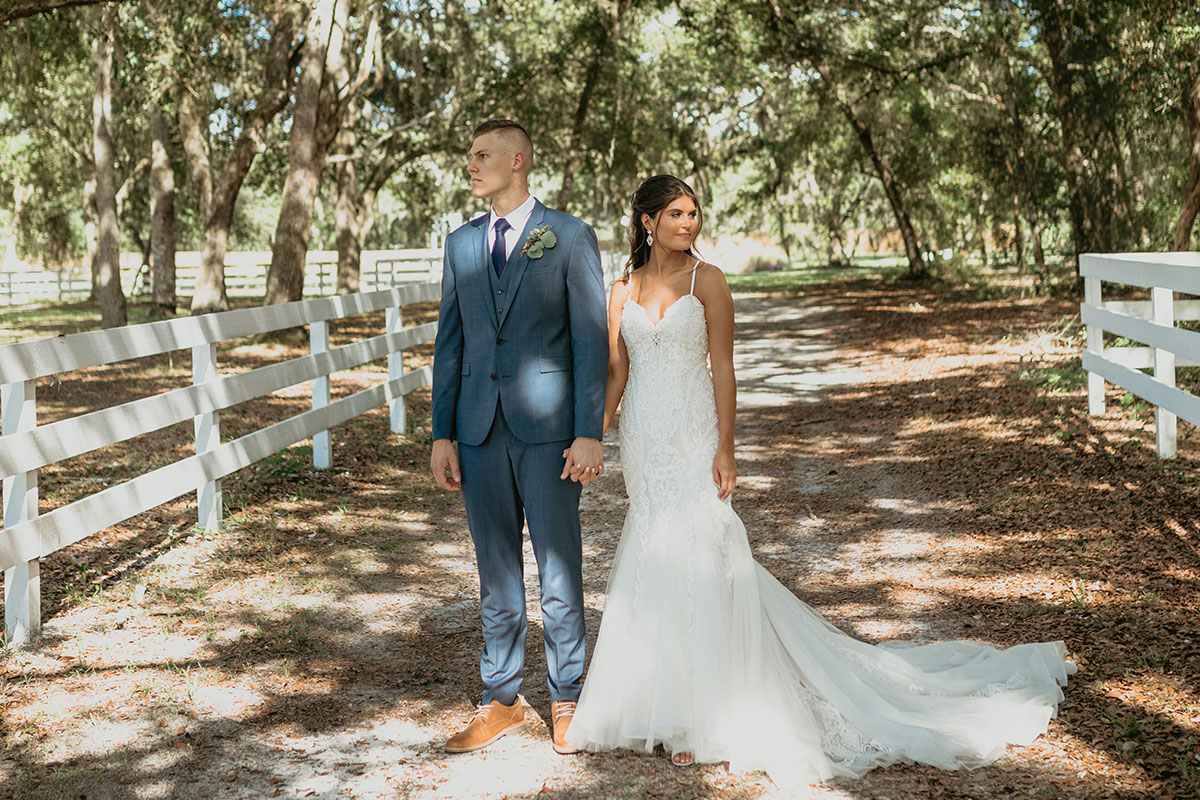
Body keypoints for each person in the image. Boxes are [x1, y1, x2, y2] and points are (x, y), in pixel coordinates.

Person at [565, 174, 1075, 788]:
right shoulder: (622, 287)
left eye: (694, 213)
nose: (688, 224)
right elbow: (618, 370)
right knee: (654, 546)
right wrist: (592, 433)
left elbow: (723, 371)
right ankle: (658, 700)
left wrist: (726, 446)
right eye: (675, 214)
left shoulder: (710, 281)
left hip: (694, 430)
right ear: (647, 221)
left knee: (704, 546)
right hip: (645, 437)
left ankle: (702, 714)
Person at [430, 120, 608, 756]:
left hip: (550, 434)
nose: (471, 166)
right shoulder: (461, 244)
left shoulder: (568, 236)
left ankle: (567, 699)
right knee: (494, 572)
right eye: (469, 157)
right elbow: (449, 345)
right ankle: (500, 700)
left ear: (518, 159)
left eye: (482, 156)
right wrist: (441, 433)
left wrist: (590, 431)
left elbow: (592, 341)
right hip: (477, 431)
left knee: (559, 569)